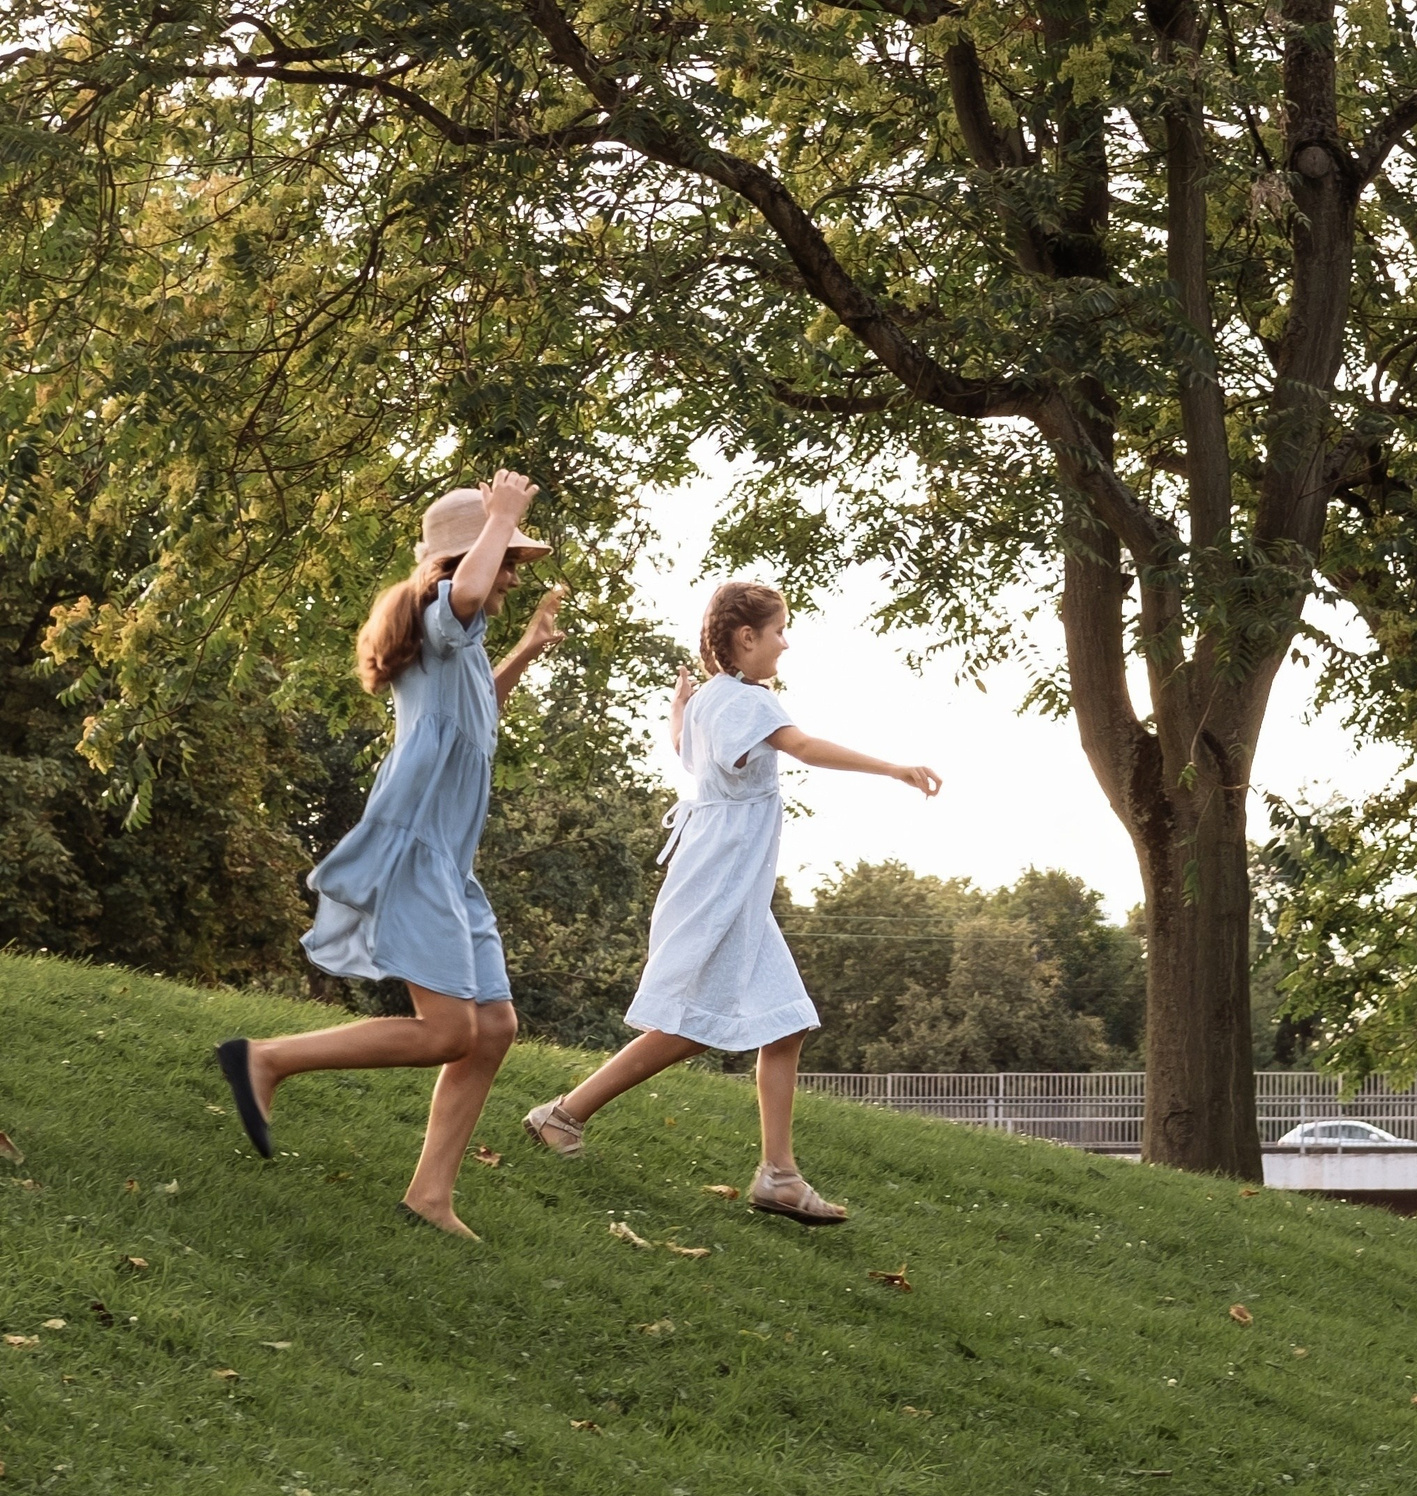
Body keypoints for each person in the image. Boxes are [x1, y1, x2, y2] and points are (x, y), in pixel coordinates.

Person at [520, 582, 941, 1224]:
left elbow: (686, 754)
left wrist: (676, 711)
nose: (786, 641)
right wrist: (892, 768)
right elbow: (801, 747)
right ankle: (563, 1113)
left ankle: (778, 1174)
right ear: (747, 639)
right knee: (692, 1026)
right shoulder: (748, 702)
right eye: (779, 630)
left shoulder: (714, 701)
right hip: (721, 883)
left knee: (785, 1019)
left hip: (728, 881)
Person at [214, 472, 565, 1240]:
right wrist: (501, 513)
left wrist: (528, 651)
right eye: (508, 558)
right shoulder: (447, 610)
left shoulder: (459, 645)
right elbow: (465, 593)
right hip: (417, 854)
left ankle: (431, 1195)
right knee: (446, 1031)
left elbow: (476, 709)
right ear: (468, 557)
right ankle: (265, 1059)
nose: (513, 574)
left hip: (451, 866)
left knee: (495, 1027)